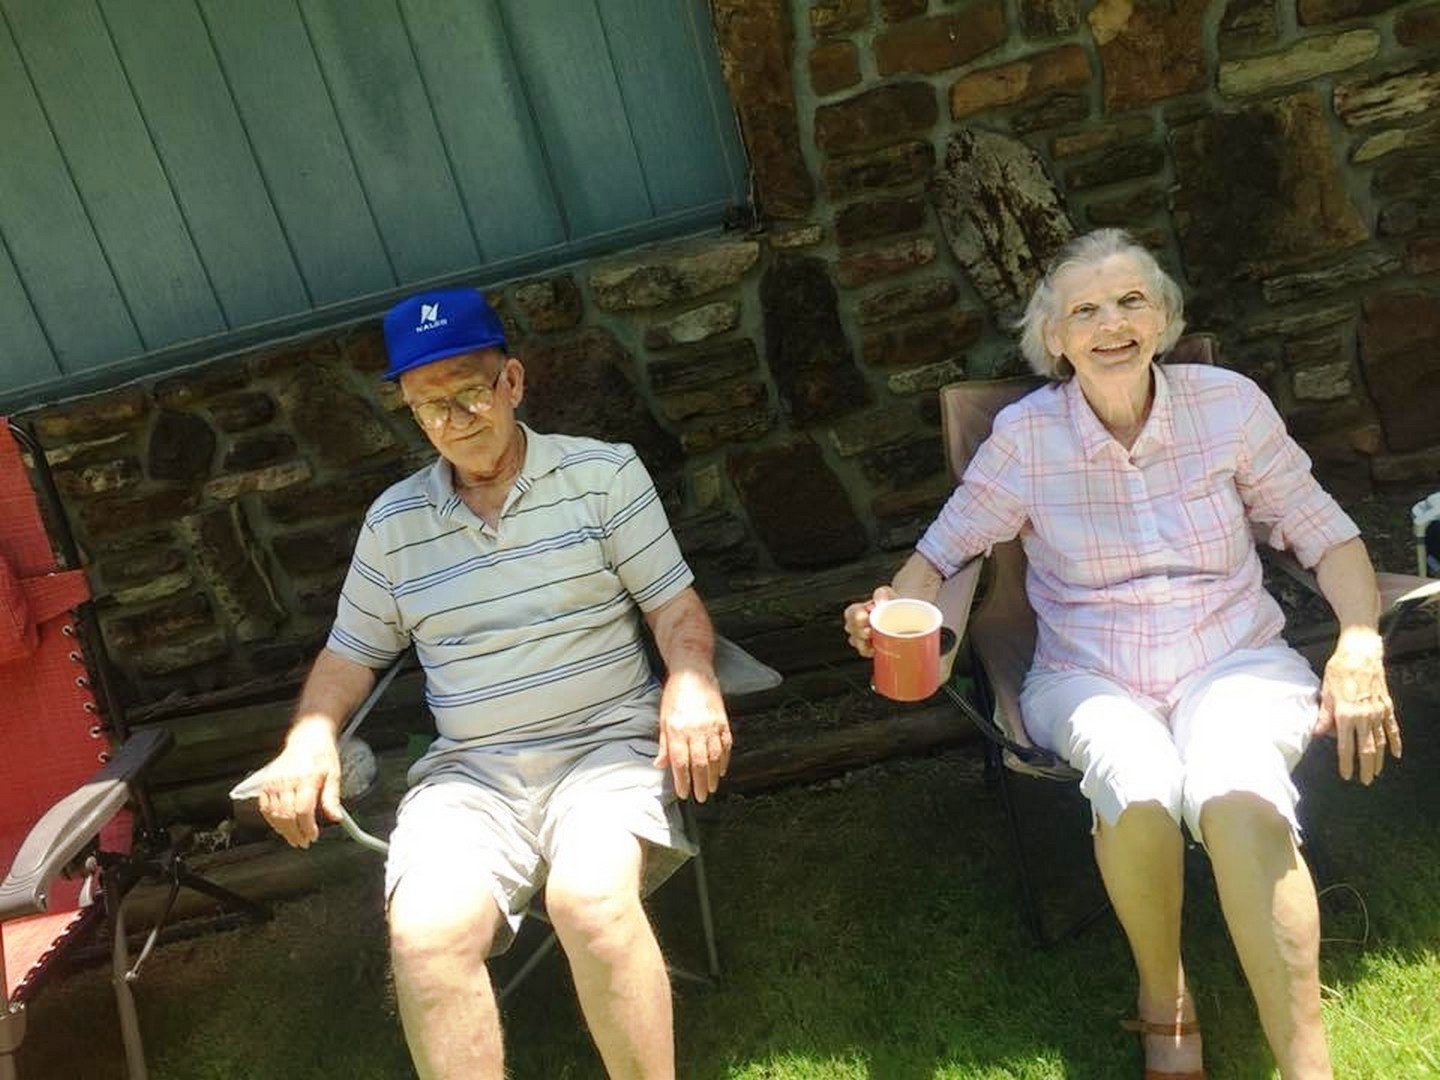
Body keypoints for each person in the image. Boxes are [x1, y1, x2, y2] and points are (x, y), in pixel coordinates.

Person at [844, 229, 1398, 1080]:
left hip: (1234, 659)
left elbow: (1327, 535)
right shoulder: (1027, 438)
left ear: (1164, 318)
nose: (1112, 324)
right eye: (1086, 310)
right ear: (1055, 340)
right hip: (1089, 673)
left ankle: (1306, 1062)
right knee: (1137, 785)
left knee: (1239, 791)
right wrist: (895, 611)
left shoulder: (1230, 406)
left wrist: (1359, 641)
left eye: (1133, 301)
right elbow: (946, 551)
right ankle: (1165, 999)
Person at [254, 287, 731, 1080]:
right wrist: (309, 739)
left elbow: (673, 605)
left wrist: (691, 678)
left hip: (604, 751)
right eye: (428, 405)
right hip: (472, 776)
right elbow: (348, 656)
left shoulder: (604, 475)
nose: (453, 420)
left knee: (589, 900)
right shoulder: (393, 525)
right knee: (425, 935)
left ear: (513, 382)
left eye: (470, 393)